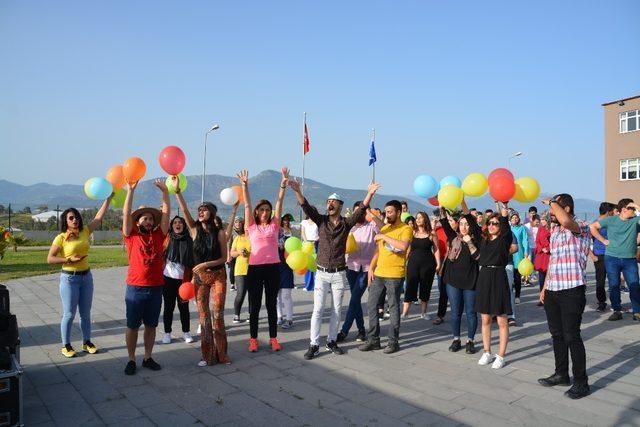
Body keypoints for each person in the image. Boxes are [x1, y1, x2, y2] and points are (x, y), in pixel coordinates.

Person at [290, 179, 379, 359]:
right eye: (328, 202)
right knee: (318, 309)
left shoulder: (347, 223)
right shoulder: (321, 221)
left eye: (334, 202)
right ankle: (314, 344)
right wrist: (297, 191)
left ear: (339, 205)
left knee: (337, 310)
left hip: (339, 274)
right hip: (322, 273)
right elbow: (306, 207)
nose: (330, 204)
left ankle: (331, 341)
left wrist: (369, 193)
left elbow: (361, 209)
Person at [538, 194, 591, 399]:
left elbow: (567, 222)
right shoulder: (555, 230)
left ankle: (581, 382)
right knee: (557, 335)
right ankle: (561, 374)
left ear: (566, 208)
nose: (550, 212)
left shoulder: (581, 226)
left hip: (572, 289)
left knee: (572, 336)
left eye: (554, 208)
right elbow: (554, 261)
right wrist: (544, 287)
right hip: (553, 289)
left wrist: (551, 201)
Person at [48, 198, 113, 358]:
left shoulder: (85, 231)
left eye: (76, 217)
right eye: (71, 218)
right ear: (65, 221)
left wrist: (108, 199)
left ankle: (87, 342)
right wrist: (68, 259)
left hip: (86, 278)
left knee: (85, 313)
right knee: (69, 314)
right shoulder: (61, 237)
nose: (75, 220)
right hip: (69, 279)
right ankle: (66, 345)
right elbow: (50, 258)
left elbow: (99, 217)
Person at [174, 182, 230, 366]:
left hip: (218, 276)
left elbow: (224, 258)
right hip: (200, 279)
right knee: (204, 318)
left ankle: (222, 354)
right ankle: (207, 356)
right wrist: (177, 191)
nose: (200, 212)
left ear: (212, 213)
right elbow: (183, 209)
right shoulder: (193, 229)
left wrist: (205, 264)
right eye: (199, 209)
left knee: (218, 316)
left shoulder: (220, 233)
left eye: (204, 209)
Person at [121, 180, 170, 375]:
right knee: (133, 326)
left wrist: (165, 192)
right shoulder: (130, 235)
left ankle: (147, 357)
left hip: (156, 287)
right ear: (138, 221)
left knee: (151, 325)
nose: (149, 221)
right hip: (135, 287)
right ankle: (131, 359)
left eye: (151, 219)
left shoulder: (159, 235)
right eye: (145, 219)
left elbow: (166, 214)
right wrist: (131, 191)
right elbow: (126, 214)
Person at [238, 168, 288, 352]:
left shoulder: (275, 225)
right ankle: (253, 339)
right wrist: (245, 186)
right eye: (262, 210)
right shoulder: (251, 226)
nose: (265, 212)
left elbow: (280, 202)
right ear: (257, 212)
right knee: (255, 305)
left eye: (267, 210)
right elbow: (247, 206)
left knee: (271, 305)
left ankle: (273, 338)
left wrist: (283, 185)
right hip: (255, 269)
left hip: (273, 268)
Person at [359, 200, 413, 354]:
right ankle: (373, 340)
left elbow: (403, 246)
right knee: (371, 305)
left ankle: (393, 342)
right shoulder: (386, 227)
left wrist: (383, 235)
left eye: (390, 212)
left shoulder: (406, 229)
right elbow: (378, 250)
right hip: (379, 274)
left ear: (398, 212)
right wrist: (371, 268)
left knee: (394, 308)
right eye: (386, 212)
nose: (387, 215)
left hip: (395, 275)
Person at [469, 202, 512, 370]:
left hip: (499, 276)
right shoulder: (483, 239)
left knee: (501, 319)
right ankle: (487, 351)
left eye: (496, 223)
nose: (492, 225)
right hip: (484, 277)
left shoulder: (504, 239)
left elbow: (506, 226)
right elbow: (472, 222)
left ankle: (501, 355)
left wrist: (504, 212)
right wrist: (465, 203)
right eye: (490, 223)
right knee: (485, 318)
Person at [439, 201, 481, 354]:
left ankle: (471, 340)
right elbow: (443, 220)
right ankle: (456, 339)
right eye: (461, 224)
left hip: (471, 281)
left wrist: (462, 201)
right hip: (453, 281)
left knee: (471, 312)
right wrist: (441, 205)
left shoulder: (477, 239)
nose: (464, 227)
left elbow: (478, 257)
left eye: (467, 224)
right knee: (455, 312)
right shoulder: (453, 237)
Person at [337, 204, 381, 343]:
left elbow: (383, 227)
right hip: (352, 267)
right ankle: (361, 330)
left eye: (360, 212)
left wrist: (370, 211)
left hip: (368, 268)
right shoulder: (349, 227)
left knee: (355, 298)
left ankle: (344, 331)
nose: (358, 214)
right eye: (356, 211)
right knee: (355, 300)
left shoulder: (372, 225)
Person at [590, 199, 640, 321]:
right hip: (612, 258)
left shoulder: (635, 221)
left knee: (634, 286)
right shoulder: (611, 220)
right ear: (624, 209)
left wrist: (636, 206)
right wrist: (603, 240)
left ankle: (637, 312)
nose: (634, 211)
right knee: (614, 285)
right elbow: (592, 227)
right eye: (632, 208)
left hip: (630, 259)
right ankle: (617, 311)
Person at [161, 216, 195, 345]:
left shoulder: (189, 240)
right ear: (172, 226)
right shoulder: (167, 239)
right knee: (168, 308)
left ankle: (186, 332)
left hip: (184, 281)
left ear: (184, 225)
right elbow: (161, 255)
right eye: (175, 223)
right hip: (168, 279)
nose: (177, 224)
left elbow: (193, 262)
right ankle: (167, 333)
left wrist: (192, 280)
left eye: (180, 222)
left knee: (183, 308)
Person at [402, 212, 440, 319]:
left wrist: (438, 263)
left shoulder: (431, 233)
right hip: (413, 263)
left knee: (425, 287)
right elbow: (408, 248)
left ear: (425, 219)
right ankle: (405, 313)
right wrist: (404, 261)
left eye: (420, 218)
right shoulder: (412, 232)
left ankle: (423, 313)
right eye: (416, 218)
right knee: (410, 287)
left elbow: (436, 249)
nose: (418, 220)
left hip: (428, 264)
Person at [590, 202, 615, 312]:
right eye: (613, 211)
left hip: (612, 255)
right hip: (599, 256)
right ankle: (601, 303)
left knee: (614, 281)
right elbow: (586, 242)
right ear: (608, 212)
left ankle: (615, 303)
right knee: (600, 281)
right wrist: (592, 256)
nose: (614, 213)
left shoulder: (612, 223)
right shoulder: (595, 224)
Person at [229, 218, 250, 323]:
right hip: (240, 269)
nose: (246, 227)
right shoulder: (238, 238)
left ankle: (251, 314)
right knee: (241, 293)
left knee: (253, 293)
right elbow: (232, 253)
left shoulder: (254, 238)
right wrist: (240, 252)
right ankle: (237, 315)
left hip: (253, 269)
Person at [277, 214, 295, 329]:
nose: (286, 222)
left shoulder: (294, 232)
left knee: (286, 295)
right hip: (275, 266)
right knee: (276, 295)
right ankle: (279, 316)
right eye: (284, 220)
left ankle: (289, 319)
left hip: (287, 266)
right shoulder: (276, 232)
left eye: (288, 220)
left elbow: (298, 247)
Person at [432, 209, 449, 325]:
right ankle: (440, 315)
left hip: (453, 260)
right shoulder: (436, 230)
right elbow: (431, 242)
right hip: (441, 260)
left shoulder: (452, 228)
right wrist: (432, 227)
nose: (439, 217)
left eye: (442, 215)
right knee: (442, 288)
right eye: (437, 215)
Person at [510, 212, 529, 304]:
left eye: (516, 218)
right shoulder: (508, 228)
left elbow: (525, 240)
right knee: (508, 277)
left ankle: (517, 295)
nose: (514, 219)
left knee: (517, 277)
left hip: (518, 255)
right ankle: (508, 296)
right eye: (513, 218)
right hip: (509, 255)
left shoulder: (522, 228)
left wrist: (526, 252)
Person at [534, 214, 551, 307]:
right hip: (541, 256)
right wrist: (541, 248)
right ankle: (542, 298)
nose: (542, 220)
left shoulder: (552, 229)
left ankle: (549, 299)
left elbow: (554, 241)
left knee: (549, 279)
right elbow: (537, 241)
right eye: (541, 219)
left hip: (548, 256)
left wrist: (548, 248)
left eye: (543, 219)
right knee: (541, 278)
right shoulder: (540, 229)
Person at [300, 214, 319, 291]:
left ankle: (317, 285)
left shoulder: (317, 222)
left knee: (315, 265)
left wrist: (315, 241)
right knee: (307, 265)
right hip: (306, 245)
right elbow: (303, 233)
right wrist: (307, 242)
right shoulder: (304, 222)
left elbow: (321, 233)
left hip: (316, 244)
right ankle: (308, 285)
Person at [524, 214, 540, 285]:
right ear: (532, 220)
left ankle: (531, 276)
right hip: (529, 247)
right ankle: (526, 279)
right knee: (528, 262)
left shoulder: (538, 227)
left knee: (534, 263)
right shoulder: (526, 226)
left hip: (536, 247)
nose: (537, 223)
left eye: (538, 222)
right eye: (536, 222)